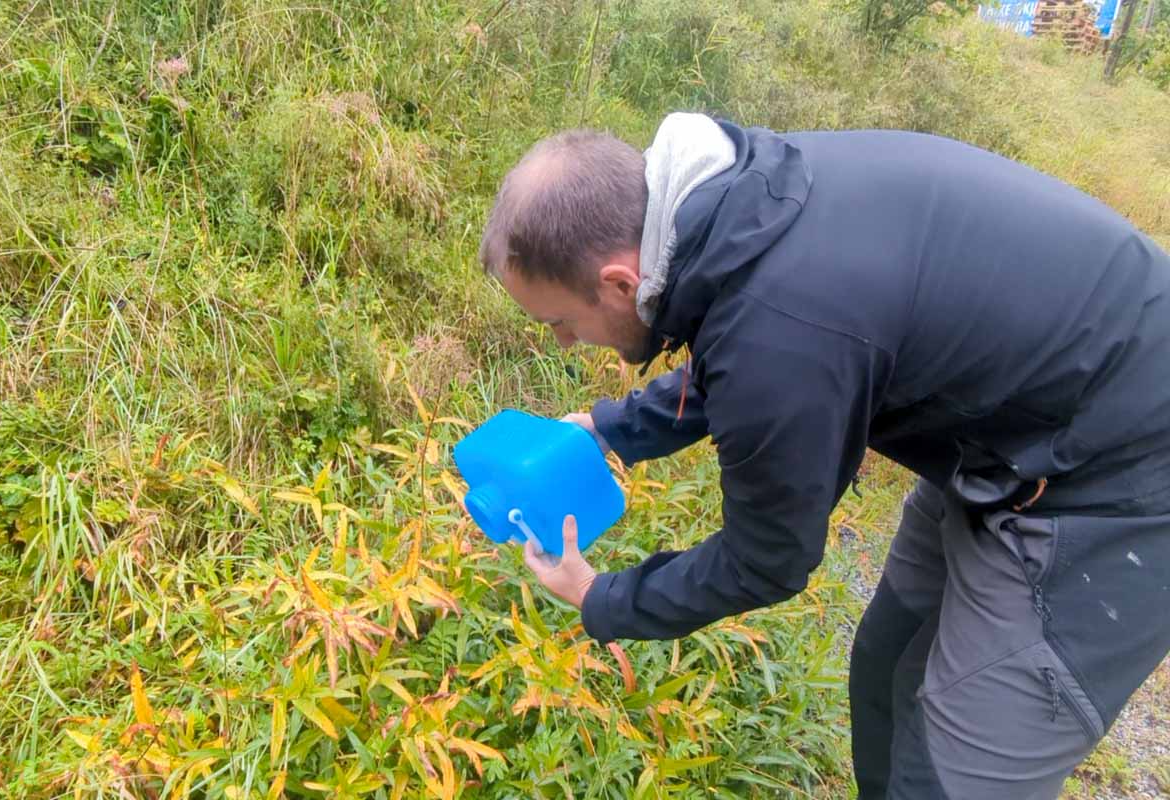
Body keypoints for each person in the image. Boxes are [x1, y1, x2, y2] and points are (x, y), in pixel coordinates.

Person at [477, 112, 1170, 799]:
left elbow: (767, 558)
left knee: (947, 776)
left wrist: (603, 596)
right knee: (887, 662)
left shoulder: (780, 328)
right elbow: (753, 342)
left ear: (621, 283)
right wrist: (607, 428)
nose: (565, 343)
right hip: (1012, 422)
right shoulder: (737, 206)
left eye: (560, 323)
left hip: (1122, 471)